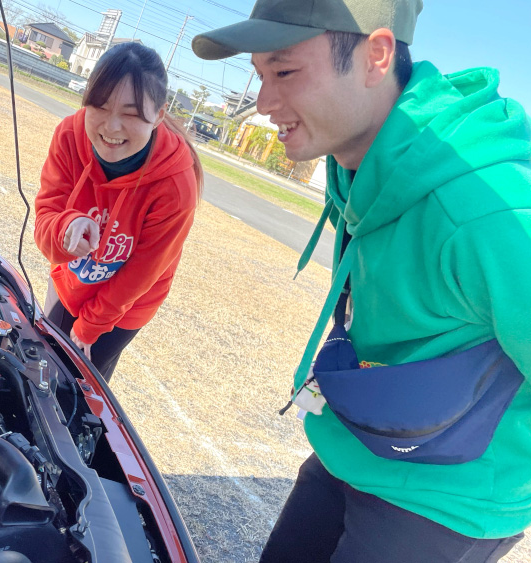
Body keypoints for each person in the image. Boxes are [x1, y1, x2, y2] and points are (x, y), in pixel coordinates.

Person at [193, 1, 531, 562]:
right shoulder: (357, 159)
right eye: (259, 75)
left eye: (284, 72)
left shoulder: (489, 210)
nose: (264, 103)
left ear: (376, 55)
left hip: (448, 501)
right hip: (355, 441)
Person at [34, 42, 203, 382]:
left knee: (80, 390)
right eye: (100, 106)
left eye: (130, 113)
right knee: (40, 367)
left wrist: (89, 328)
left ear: (158, 114)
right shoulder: (69, 135)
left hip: (125, 307)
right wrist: (66, 226)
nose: (111, 128)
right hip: (71, 279)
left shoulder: (176, 181)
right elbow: (45, 220)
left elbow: (142, 273)